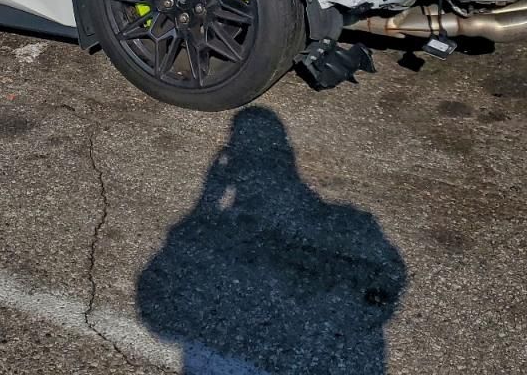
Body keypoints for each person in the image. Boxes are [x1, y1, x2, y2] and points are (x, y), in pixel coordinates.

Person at [138, 107, 406, 374]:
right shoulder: (349, 224)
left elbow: (158, 308)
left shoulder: (214, 230)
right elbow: (387, 283)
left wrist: (205, 205)